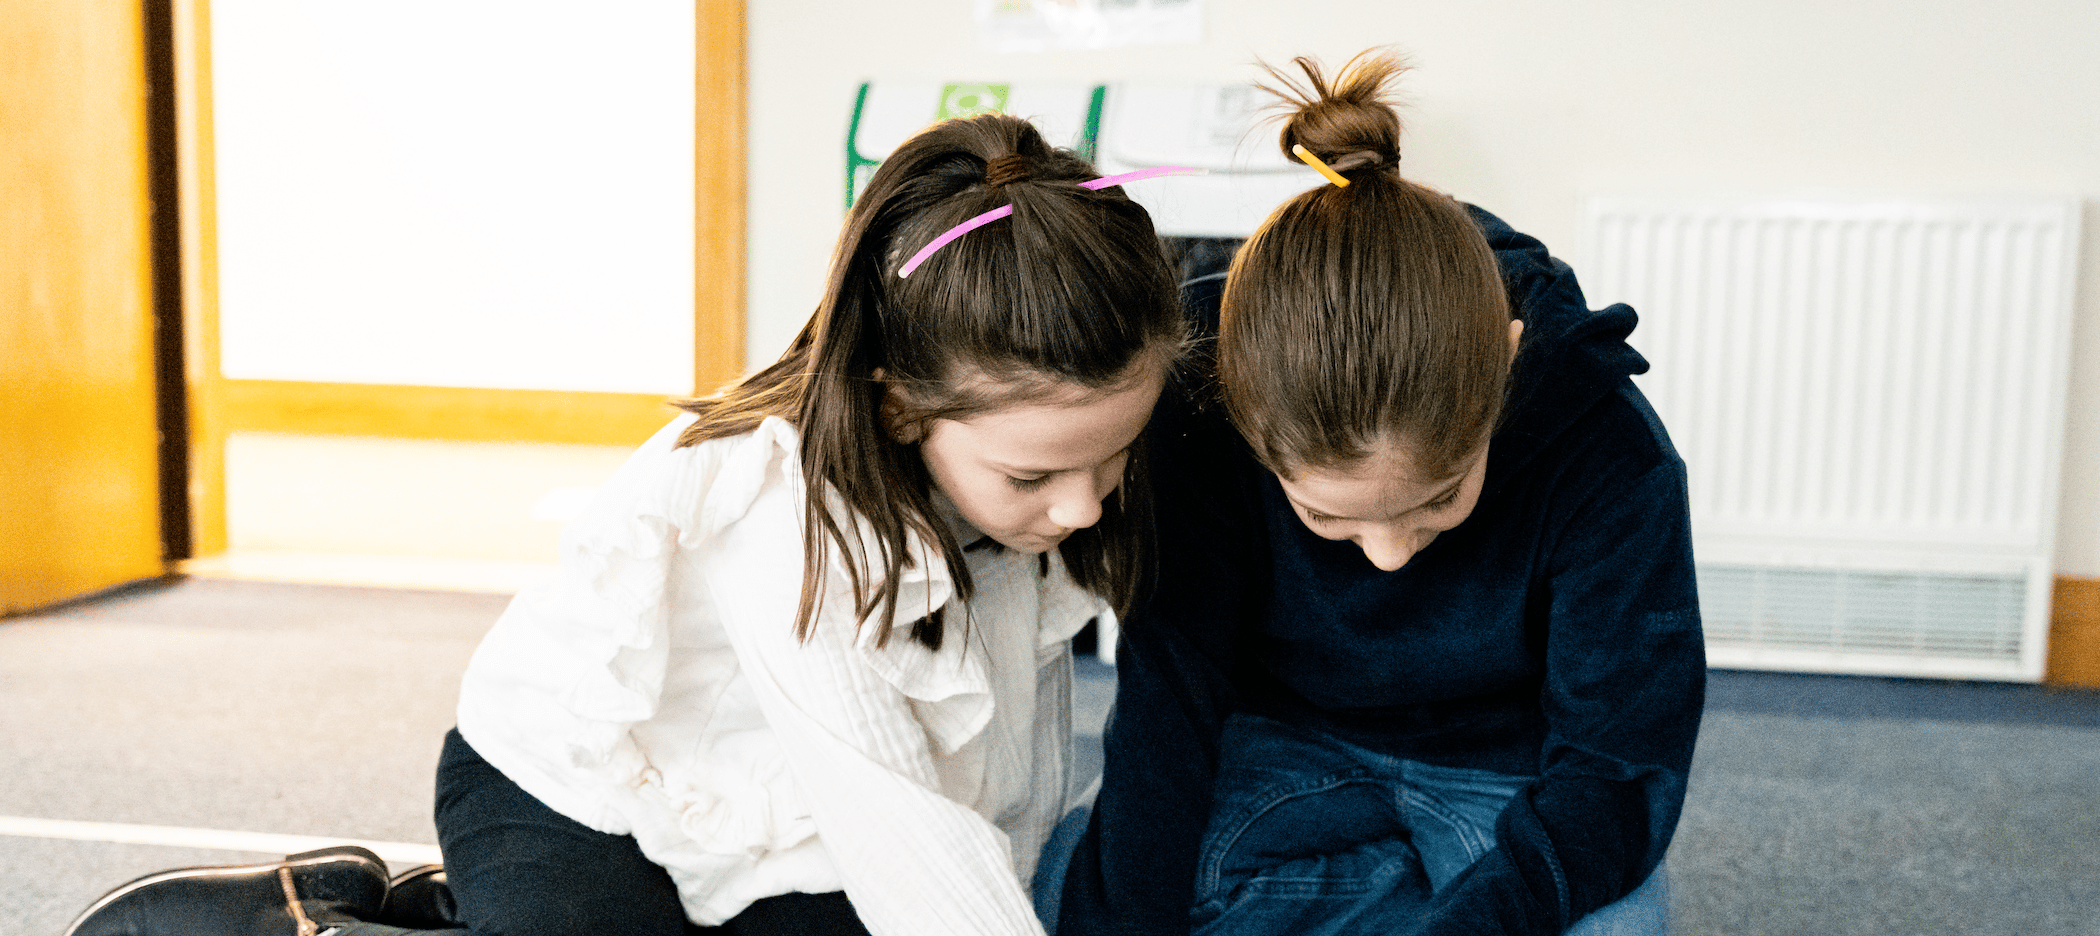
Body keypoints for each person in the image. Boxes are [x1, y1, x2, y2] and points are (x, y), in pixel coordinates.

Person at [64, 113, 1191, 936]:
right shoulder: (780, 511)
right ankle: (316, 926)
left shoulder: (1031, 482)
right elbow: (898, 818)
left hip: (777, 805)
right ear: (899, 401)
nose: (1085, 504)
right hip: (575, 792)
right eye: (1038, 474)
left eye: (1114, 458)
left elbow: (1009, 775)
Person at [1058, 51, 1705, 936]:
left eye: (1439, 497)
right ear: (1243, 422)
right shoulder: (1198, 417)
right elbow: (1170, 704)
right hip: (1286, 748)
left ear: (1509, 365)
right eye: (1326, 516)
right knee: (1077, 878)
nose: (1391, 555)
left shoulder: (1611, 453)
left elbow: (1620, 767)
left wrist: (1479, 916)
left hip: (1513, 776)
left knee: (1613, 928)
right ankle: (1403, 893)